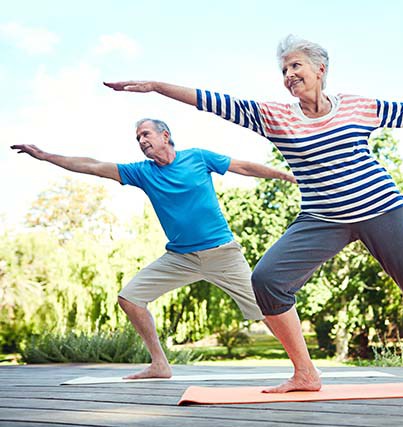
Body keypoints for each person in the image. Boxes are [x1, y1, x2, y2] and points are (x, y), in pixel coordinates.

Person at [104, 34, 403, 392]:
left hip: (381, 208)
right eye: (284, 70)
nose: (289, 75)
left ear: (320, 70)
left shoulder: (358, 107)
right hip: (322, 218)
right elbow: (213, 102)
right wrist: (157, 87)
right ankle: (305, 374)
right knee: (267, 280)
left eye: (296, 66)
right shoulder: (276, 118)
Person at [11, 118, 295, 380]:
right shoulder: (142, 172)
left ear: (165, 135)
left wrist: (286, 176)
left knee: (267, 309)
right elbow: (93, 166)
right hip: (180, 258)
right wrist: (46, 156)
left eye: (145, 134)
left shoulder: (197, 157)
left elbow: (244, 167)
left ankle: (303, 367)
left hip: (222, 255)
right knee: (130, 298)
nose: (141, 140)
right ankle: (160, 364)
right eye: (138, 138)